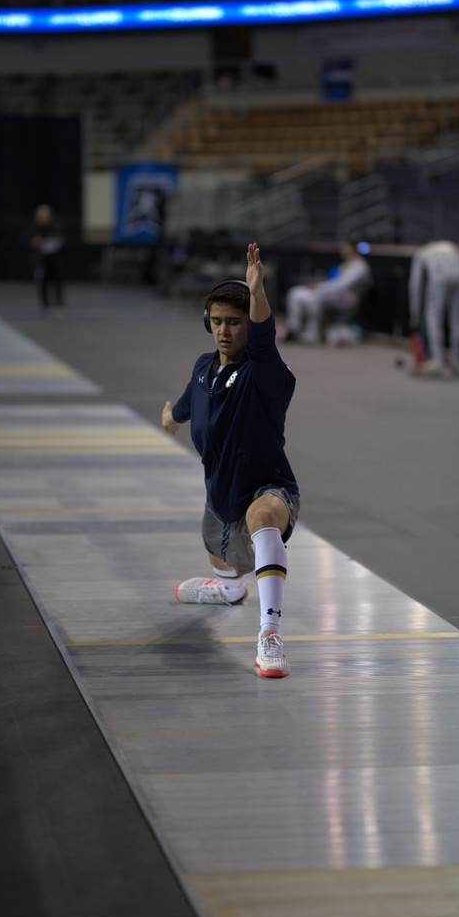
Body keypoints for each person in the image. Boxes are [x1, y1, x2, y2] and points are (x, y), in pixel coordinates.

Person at [162, 243, 300, 678]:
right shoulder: (204, 367)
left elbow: (262, 339)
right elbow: (189, 402)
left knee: (263, 516)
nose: (225, 331)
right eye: (218, 321)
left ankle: (270, 636)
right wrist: (172, 415)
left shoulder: (264, 372)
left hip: (268, 487)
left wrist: (257, 294)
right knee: (222, 556)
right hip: (221, 496)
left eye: (234, 323)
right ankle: (226, 590)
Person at [408, 240, 459, 376]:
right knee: (458, 321)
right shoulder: (451, 246)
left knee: (433, 319)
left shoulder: (422, 252)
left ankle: (438, 361)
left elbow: (415, 284)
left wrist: (414, 312)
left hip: (438, 277)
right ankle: (455, 361)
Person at [284, 240, 372, 343]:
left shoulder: (359, 266)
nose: (342, 250)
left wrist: (319, 288)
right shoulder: (346, 264)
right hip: (334, 294)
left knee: (313, 298)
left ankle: (313, 333)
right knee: (295, 292)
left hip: (348, 298)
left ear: (352, 248)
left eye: (345, 248)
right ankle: (293, 329)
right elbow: (334, 283)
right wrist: (317, 287)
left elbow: (342, 286)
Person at [30, 204, 65, 310]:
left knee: (57, 279)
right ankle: (45, 303)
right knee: (42, 281)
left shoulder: (56, 226)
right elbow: (29, 241)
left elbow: (61, 239)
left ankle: (59, 300)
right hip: (41, 260)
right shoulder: (34, 227)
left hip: (55, 258)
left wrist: (57, 241)